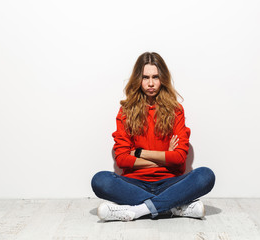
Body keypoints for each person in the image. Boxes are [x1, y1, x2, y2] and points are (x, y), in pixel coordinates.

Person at [91, 52, 215, 221]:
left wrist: (138, 153)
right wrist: (164, 158)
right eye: (145, 77)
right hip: (134, 184)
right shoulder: (125, 112)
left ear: (162, 79)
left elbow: (179, 158)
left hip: (171, 183)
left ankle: (138, 210)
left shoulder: (175, 110)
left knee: (205, 176)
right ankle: (174, 208)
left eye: (155, 77)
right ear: (138, 79)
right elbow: (121, 159)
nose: (150, 83)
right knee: (100, 180)